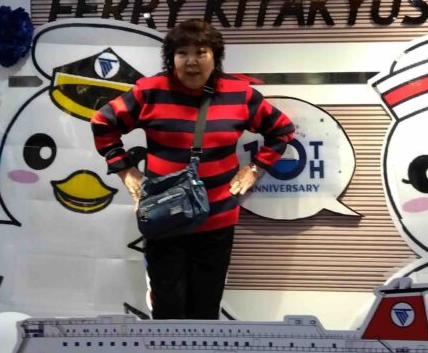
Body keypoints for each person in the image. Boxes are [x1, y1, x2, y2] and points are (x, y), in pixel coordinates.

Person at [91, 19, 295, 319]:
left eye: (200, 52)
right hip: (163, 218)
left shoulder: (240, 94)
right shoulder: (150, 91)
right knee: (168, 310)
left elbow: (282, 130)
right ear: (171, 58)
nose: (191, 61)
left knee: (205, 310)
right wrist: (126, 171)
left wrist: (254, 168)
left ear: (215, 56)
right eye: (182, 53)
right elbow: (103, 123)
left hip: (217, 218)